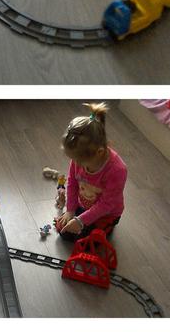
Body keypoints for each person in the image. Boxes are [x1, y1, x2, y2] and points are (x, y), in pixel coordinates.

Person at [55, 102, 127, 241]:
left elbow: (107, 204)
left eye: (80, 161)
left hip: (107, 213)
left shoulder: (117, 170)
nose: (76, 164)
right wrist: (70, 210)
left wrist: (80, 220)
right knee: (63, 230)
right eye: (74, 160)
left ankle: (106, 226)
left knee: (84, 239)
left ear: (99, 152)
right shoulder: (78, 159)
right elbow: (72, 183)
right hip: (83, 206)